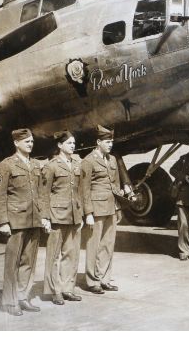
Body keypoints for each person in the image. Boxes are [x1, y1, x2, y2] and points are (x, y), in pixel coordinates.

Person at [0, 128, 44, 316]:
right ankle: (9, 301)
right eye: (27, 141)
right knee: (12, 263)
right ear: (16, 143)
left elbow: (41, 194)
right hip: (16, 221)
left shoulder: (36, 165)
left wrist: (44, 216)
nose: (31, 144)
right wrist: (3, 222)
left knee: (29, 261)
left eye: (32, 141)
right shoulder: (6, 165)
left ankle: (23, 297)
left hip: (33, 220)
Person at [40, 131, 83, 305]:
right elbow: (44, 194)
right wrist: (45, 217)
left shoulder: (76, 164)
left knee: (71, 254)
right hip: (56, 216)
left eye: (74, 143)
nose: (72, 146)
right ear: (59, 145)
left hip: (73, 215)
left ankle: (67, 289)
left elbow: (79, 191)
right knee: (54, 256)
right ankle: (55, 290)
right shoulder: (51, 166)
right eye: (69, 143)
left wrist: (80, 215)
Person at [80, 125, 123, 294]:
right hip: (96, 209)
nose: (110, 144)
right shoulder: (88, 161)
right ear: (98, 142)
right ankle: (92, 281)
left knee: (108, 245)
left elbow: (116, 184)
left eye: (111, 141)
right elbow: (84, 189)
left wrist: (118, 207)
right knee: (93, 245)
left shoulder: (112, 160)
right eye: (107, 141)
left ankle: (105, 278)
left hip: (111, 207)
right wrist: (88, 213)